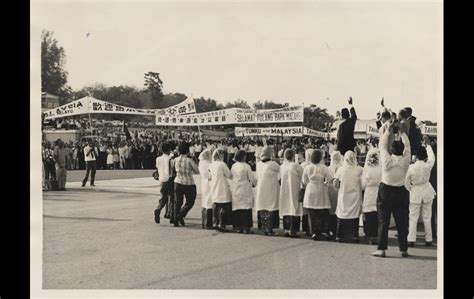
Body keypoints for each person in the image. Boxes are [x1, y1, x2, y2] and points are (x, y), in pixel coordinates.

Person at [371, 121, 411, 258]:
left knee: (383, 220)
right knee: (402, 221)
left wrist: (388, 131)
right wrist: (402, 132)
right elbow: (408, 146)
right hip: (400, 190)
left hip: (386, 190)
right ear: (402, 151)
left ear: (392, 150)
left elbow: (382, 145)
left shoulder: (387, 160)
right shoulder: (406, 161)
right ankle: (403, 249)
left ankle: (381, 249)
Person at [405, 136, 436, 247]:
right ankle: (428, 239)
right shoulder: (428, 165)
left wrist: (411, 189)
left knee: (413, 217)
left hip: (415, 192)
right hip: (427, 191)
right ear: (425, 156)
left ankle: (411, 239)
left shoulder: (411, 167)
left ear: (416, 156)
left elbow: (406, 183)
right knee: (427, 217)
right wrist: (427, 145)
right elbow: (432, 157)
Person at [302, 150, 333, 241]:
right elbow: (330, 178)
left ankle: (314, 231)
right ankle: (322, 230)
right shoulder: (323, 167)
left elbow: (304, 181)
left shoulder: (308, 167)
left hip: (311, 188)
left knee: (312, 212)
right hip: (320, 188)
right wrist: (326, 183)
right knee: (321, 210)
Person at [334, 151, 363, 243]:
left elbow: (335, 183)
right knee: (354, 215)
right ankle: (354, 235)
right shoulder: (359, 169)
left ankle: (340, 235)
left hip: (343, 195)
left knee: (342, 213)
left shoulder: (341, 169)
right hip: (355, 195)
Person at [255, 146, 281, 236]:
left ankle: (264, 228)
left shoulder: (258, 164)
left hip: (261, 188)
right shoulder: (273, 164)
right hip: (270, 188)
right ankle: (269, 229)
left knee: (263, 206)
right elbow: (280, 169)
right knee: (270, 206)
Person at [173, 143, 200, 227]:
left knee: (178, 202)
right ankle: (180, 215)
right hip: (188, 182)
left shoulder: (175, 159)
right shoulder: (189, 160)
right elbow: (196, 171)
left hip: (178, 181)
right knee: (190, 201)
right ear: (187, 151)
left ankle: (175, 219)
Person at [230, 150, 257, 234]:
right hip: (245, 188)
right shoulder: (246, 166)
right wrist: (254, 183)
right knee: (246, 208)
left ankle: (238, 227)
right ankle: (246, 227)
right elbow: (252, 178)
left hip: (235, 188)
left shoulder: (233, 166)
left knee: (237, 207)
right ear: (244, 157)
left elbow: (231, 176)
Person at [279, 149, 304, 238]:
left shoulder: (282, 166)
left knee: (286, 207)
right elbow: (303, 178)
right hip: (294, 189)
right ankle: (293, 231)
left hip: (285, 190)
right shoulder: (296, 166)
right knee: (294, 207)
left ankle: (286, 229)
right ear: (293, 156)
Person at [361, 148, 382, 245]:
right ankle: (377, 235)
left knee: (369, 214)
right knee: (377, 213)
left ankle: (369, 235)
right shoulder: (381, 167)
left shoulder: (366, 168)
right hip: (379, 191)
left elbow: (363, 183)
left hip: (369, 191)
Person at [209, 149, 233, 232]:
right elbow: (229, 175)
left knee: (215, 204)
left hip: (214, 185)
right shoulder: (222, 164)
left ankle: (215, 223)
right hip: (222, 185)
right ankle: (222, 224)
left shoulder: (211, 165)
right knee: (223, 205)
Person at [154, 142, 175, 224]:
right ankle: (171, 215)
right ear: (169, 150)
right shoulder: (171, 159)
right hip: (169, 180)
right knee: (172, 199)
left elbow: (157, 168)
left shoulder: (158, 159)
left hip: (162, 180)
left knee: (163, 198)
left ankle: (158, 209)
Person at [328, 151, 343, 239]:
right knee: (339, 209)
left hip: (330, 190)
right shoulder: (341, 168)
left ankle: (331, 229)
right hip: (339, 190)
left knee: (331, 210)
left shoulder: (329, 168)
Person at [198, 148, 214, 229]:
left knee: (204, 201)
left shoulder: (201, 163)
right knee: (209, 201)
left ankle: (204, 222)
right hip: (209, 182)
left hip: (204, 182)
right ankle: (209, 223)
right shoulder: (209, 164)